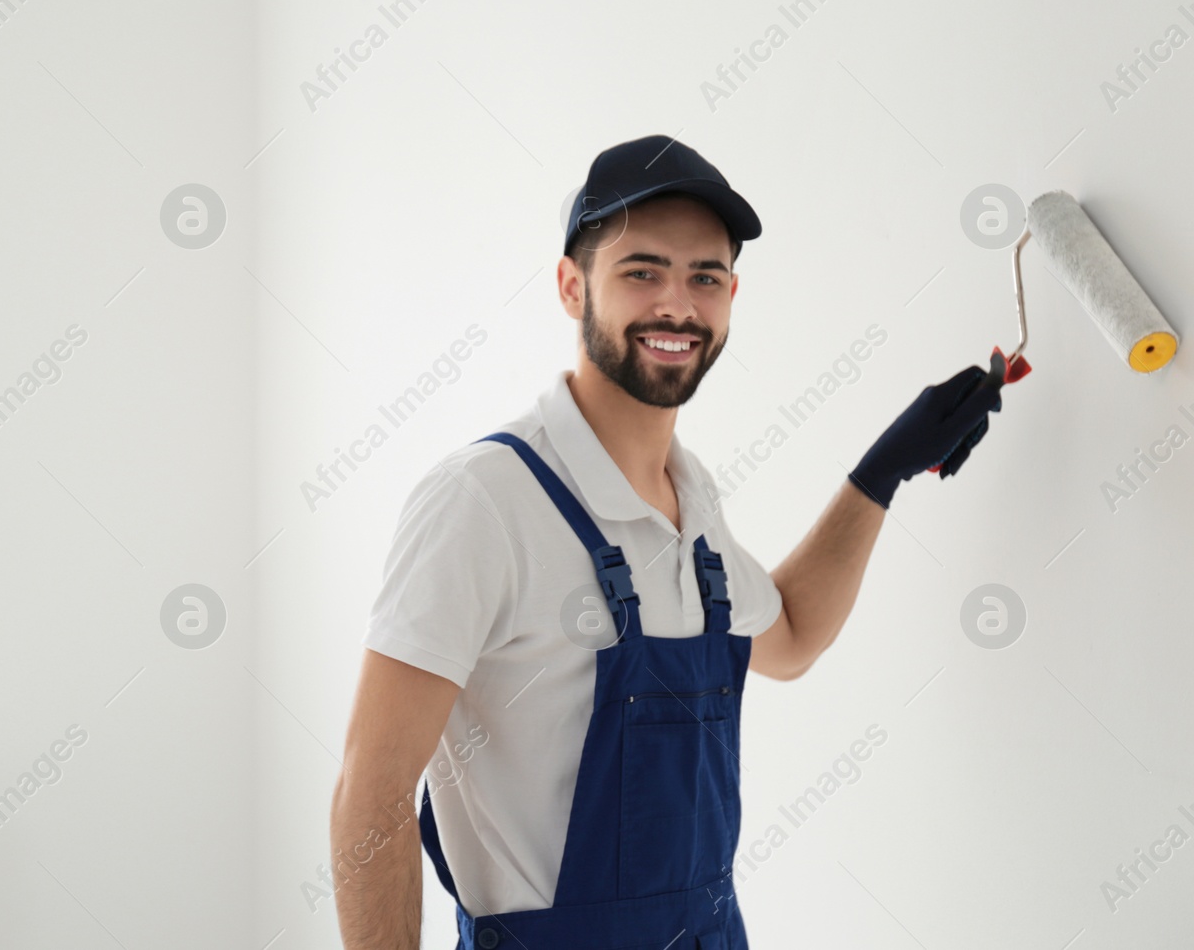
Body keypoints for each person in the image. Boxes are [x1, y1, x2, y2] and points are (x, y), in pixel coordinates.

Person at [330, 134, 1012, 950]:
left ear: (731, 296)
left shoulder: (692, 508)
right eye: (642, 271)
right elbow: (369, 799)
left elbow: (789, 636)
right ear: (570, 286)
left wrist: (882, 473)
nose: (678, 307)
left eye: (705, 277)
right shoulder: (483, 502)